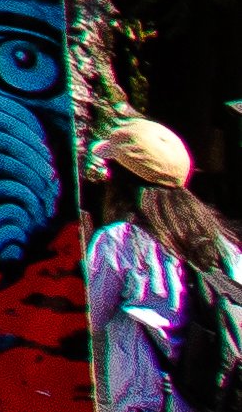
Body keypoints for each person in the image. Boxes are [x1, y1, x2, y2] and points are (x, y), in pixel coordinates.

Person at [88, 115, 240, 412]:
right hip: (209, 401)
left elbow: (87, 316)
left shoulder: (120, 242)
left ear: (122, 180)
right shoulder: (223, 246)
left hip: (147, 402)